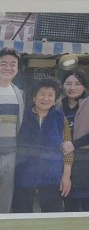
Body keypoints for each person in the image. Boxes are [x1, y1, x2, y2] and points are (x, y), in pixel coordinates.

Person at [12, 78, 72, 212]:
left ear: (55, 99)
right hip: (24, 173)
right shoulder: (22, 116)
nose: (46, 98)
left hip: (52, 175)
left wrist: (66, 176)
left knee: (52, 214)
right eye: (42, 94)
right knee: (22, 212)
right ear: (34, 97)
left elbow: (68, 149)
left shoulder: (60, 118)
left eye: (50, 95)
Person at [60, 70, 89, 212]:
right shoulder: (58, 105)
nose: (72, 87)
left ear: (84, 86)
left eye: (77, 84)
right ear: (63, 85)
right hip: (65, 162)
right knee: (69, 204)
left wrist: (74, 145)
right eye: (68, 83)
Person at [0, 48, 24, 213]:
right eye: (3, 63)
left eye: (13, 64)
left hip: (10, 153)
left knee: (5, 195)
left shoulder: (18, 93)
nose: (8, 67)